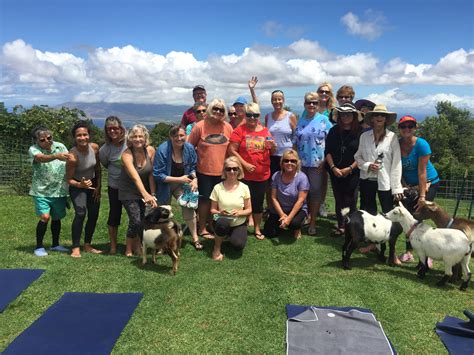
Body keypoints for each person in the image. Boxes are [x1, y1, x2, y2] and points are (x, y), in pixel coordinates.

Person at [354, 105, 404, 256]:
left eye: (382, 115)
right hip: (367, 179)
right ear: (372, 119)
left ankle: (391, 250)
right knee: (368, 213)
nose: (379, 118)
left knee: (388, 214)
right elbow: (358, 157)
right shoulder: (364, 136)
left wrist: (396, 188)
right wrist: (368, 165)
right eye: (377, 115)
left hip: (385, 182)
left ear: (386, 119)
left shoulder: (392, 137)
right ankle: (372, 244)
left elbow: (396, 164)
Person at [187, 98, 233, 239]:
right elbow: (189, 148)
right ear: (210, 109)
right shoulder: (200, 126)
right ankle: (202, 229)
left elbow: (232, 149)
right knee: (205, 201)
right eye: (215, 109)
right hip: (204, 171)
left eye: (221, 110)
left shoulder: (228, 127)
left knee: (218, 201)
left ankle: (214, 225)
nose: (218, 112)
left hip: (223, 172)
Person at [228, 102, 275, 240]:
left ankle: (257, 228)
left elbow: (272, 150)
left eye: (255, 115)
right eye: (249, 115)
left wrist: (272, 146)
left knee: (258, 203)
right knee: (241, 202)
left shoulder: (265, 131)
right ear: (245, 115)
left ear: (259, 116)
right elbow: (232, 150)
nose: (252, 118)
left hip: (262, 174)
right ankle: (239, 227)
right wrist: (244, 164)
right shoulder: (239, 130)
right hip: (244, 174)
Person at [398, 115, 440, 264]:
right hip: (409, 186)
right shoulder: (397, 145)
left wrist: (422, 197)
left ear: (415, 128)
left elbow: (422, 172)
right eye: (403, 126)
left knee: (419, 217)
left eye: (410, 126)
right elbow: (398, 169)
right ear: (399, 129)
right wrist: (405, 186)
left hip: (428, 183)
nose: (407, 129)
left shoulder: (422, 144)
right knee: (408, 219)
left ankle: (428, 254)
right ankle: (409, 252)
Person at [153, 125, 202, 250]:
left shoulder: (189, 148)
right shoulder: (163, 150)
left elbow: (192, 167)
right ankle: (163, 241)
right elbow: (158, 175)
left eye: (181, 135)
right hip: (165, 185)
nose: (179, 138)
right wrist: (179, 179)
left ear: (185, 135)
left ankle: (195, 238)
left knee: (188, 206)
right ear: (170, 137)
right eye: (175, 136)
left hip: (182, 183)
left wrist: (195, 179)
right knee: (163, 212)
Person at [293, 92, 333, 235]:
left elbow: (331, 143)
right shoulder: (301, 120)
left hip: (318, 164)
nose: (311, 105)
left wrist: (325, 160)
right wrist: (295, 160)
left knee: (315, 192)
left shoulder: (324, 120)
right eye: (309, 102)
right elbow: (295, 143)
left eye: (314, 102)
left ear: (318, 105)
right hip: (302, 164)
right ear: (304, 104)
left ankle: (313, 222)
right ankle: (304, 217)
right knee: (303, 191)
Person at [28, 126, 72, 256]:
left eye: (49, 138)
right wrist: (55, 156)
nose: (47, 141)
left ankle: (55, 244)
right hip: (41, 191)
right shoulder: (33, 149)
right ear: (36, 140)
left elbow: (70, 161)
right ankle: (39, 247)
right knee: (45, 217)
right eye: (42, 140)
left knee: (57, 218)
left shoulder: (60, 146)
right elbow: (40, 158)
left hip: (59, 190)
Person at [118, 124, 158, 257]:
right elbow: (135, 177)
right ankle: (130, 247)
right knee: (135, 220)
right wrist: (145, 194)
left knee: (141, 220)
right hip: (128, 191)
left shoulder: (151, 150)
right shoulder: (126, 154)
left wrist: (152, 193)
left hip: (144, 191)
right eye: (134, 136)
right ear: (129, 139)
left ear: (145, 137)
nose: (138, 139)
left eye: (140, 136)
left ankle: (138, 245)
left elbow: (151, 174)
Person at [325, 103, 362, 235]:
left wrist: (350, 168)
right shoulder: (334, 131)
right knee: (339, 198)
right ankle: (341, 225)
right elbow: (327, 151)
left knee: (351, 199)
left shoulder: (360, 133)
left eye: (348, 114)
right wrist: (333, 167)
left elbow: (362, 154)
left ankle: (351, 226)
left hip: (353, 172)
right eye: (343, 114)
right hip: (335, 171)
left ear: (354, 116)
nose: (345, 117)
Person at [66, 121, 102, 258]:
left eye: (85, 134)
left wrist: (98, 186)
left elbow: (97, 168)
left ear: (89, 135)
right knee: (80, 213)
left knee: (93, 214)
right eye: (79, 135)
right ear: (74, 137)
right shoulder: (72, 156)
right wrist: (80, 185)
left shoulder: (95, 148)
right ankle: (75, 247)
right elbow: (68, 179)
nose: (82, 138)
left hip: (92, 183)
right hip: (77, 184)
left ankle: (87, 244)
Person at [210, 157, 252, 261]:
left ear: (239, 170)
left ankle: (227, 235)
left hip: (238, 221)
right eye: (228, 169)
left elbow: (249, 209)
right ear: (224, 170)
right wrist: (220, 212)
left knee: (238, 246)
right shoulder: (217, 187)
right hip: (221, 219)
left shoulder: (244, 187)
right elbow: (212, 210)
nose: (232, 171)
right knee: (223, 222)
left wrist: (239, 213)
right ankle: (217, 247)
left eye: (235, 168)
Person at [263, 150, 309, 240]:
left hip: (297, 210)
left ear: (297, 163)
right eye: (286, 160)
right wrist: (282, 215)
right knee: (269, 233)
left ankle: (297, 227)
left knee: (293, 224)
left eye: (293, 161)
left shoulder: (302, 178)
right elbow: (273, 198)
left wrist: (288, 219)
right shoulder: (276, 176)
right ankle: (283, 224)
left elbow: (300, 201)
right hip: (279, 209)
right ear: (282, 162)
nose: (289, 163)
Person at [99, 116, 127, 254]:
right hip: (114, 186)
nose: (113, 131)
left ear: (121, 128)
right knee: (114, 215)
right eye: (109, 129)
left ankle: (134, 245)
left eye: (115, 128)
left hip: (131, 187)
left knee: (135, 216)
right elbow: (105, 164)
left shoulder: (130, 143)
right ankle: (113, 245)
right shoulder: (105, 149)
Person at [316, 82, 337, 217]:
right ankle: (310, 205)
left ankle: (321, 204)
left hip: (328, 150)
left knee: (324, 179)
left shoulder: (333, 112)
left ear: (330, 95)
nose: (324, 94)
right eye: (321, 91)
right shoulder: (311, 108)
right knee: (311, 180)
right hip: (313, 149)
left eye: (327, 92)